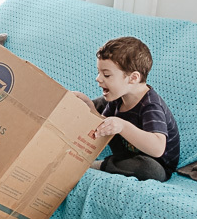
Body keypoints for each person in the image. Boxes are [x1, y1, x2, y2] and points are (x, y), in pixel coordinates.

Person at [74, 37, 181, 182]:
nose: (98, 79)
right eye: (99, 72)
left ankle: (102, 165)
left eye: (106, 75)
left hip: (154, 163)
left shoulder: (151, 106)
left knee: (151, 170)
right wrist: (89, 106)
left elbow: (157, 149)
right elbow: (102, 126)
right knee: (100, 103)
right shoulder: (118, 97)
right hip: (125, 154)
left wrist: (122, 126)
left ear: (133, 78)